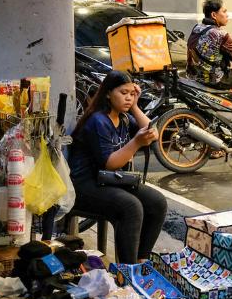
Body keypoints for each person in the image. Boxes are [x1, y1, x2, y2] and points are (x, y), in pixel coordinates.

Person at [68, 70, 167, 264]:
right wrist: (136, 142)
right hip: (84, 185)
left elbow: (152, 132)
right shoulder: (98, 120)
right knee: (131, 207)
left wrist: (136, 107)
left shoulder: (123, 117)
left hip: (108, 180)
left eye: (132, 93)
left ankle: (141, 260)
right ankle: (127, 270)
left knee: (157, 202)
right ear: (108, 93)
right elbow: (110, 163)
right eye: (123, 93)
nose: (128, 98)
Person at [187, 0, 232, 90]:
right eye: (224, 12)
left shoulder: (197, 27)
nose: (227, 15)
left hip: (193, 76)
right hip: (214, 80)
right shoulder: (221, 34)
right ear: (214, 15)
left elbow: (212, 49)